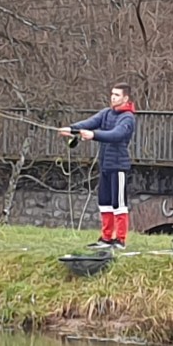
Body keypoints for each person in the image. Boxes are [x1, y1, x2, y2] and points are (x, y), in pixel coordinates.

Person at [59, 83, 138, 248]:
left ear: (125, 98)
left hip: (118, 166)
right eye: (112, 94)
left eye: (117, 95)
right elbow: (89, 122)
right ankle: (106, 238)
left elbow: (116, 135)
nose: (113, 97)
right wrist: (71, 129)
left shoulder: (128, 118)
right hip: (105, 166)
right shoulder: (106, 113)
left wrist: (94, 135)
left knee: (119, 204)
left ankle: (120, 240)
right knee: (105, 202)